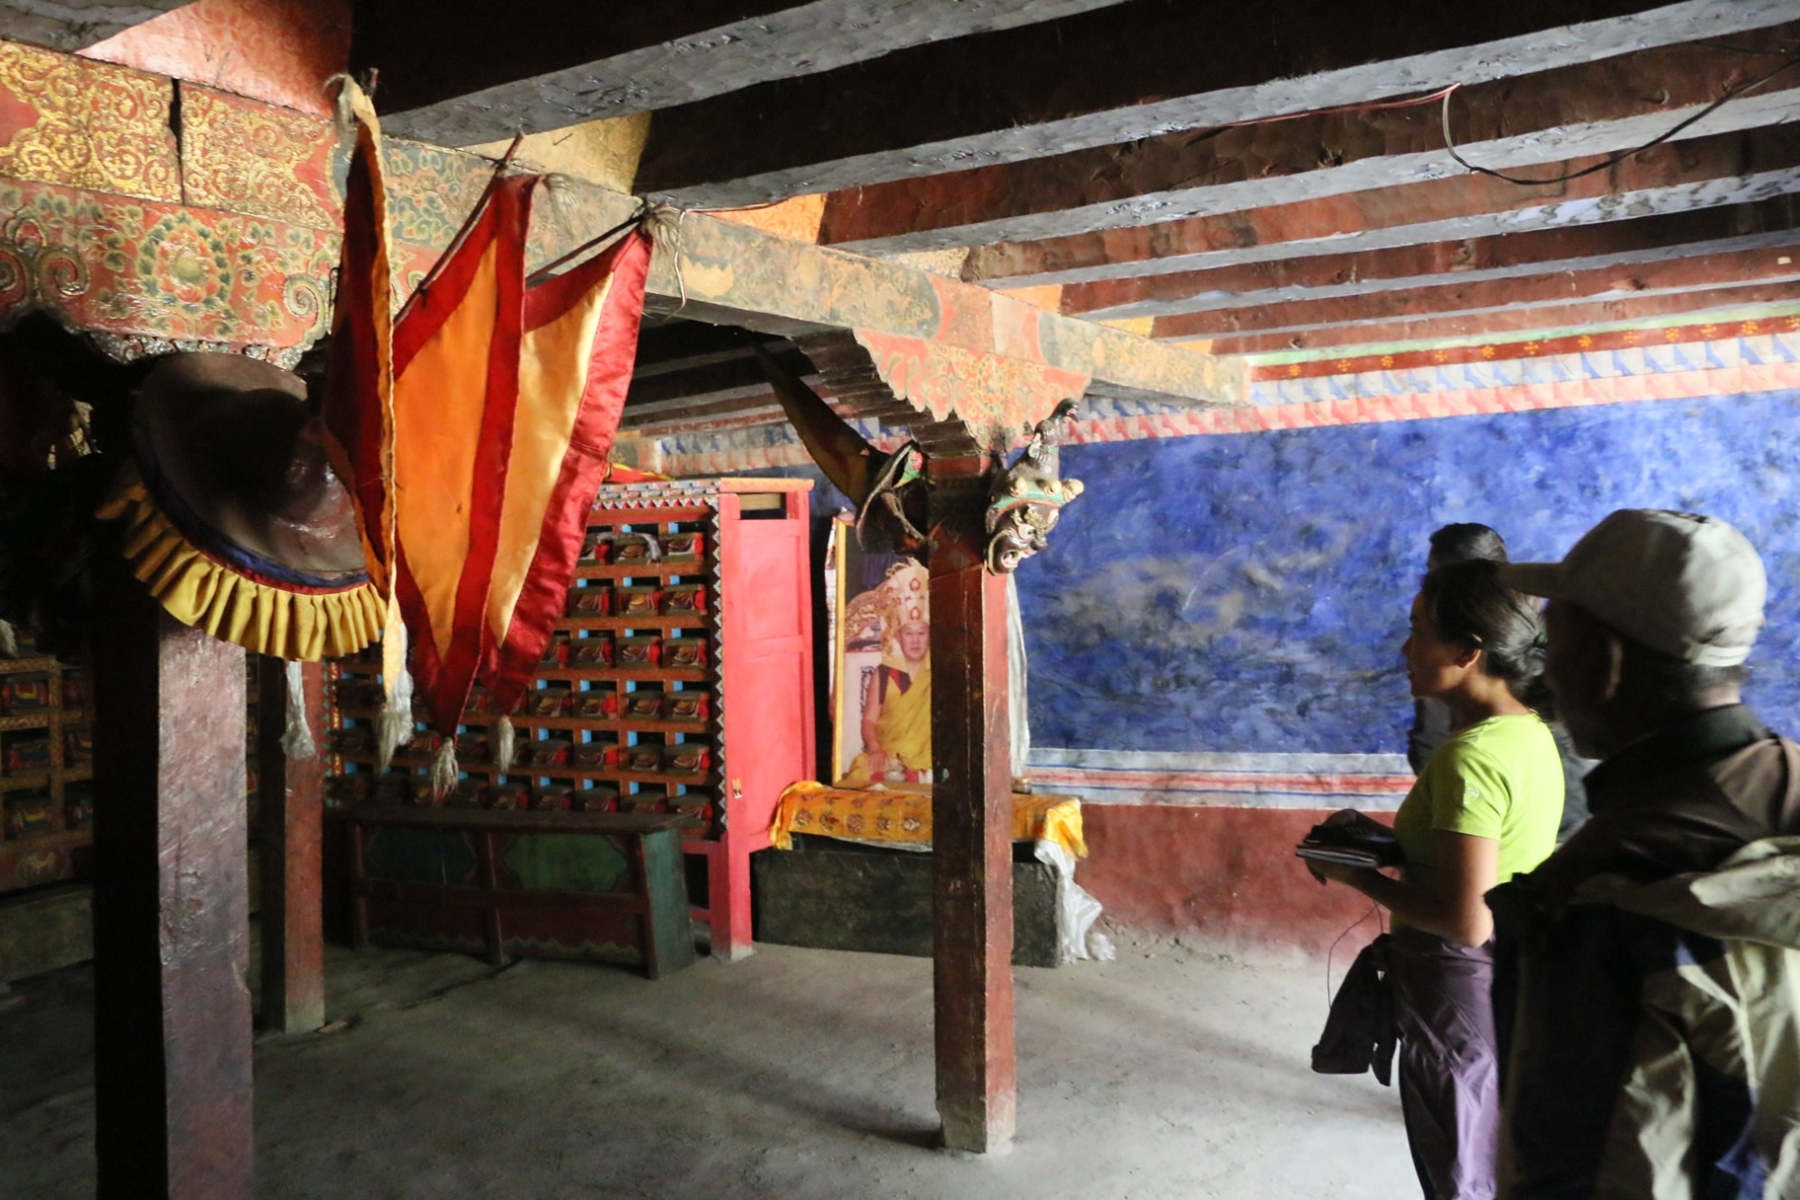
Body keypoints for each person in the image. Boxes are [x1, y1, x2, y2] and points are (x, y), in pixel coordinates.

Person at [1489, 510, 1800, 1196]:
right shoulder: (1788, 788)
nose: (1546, 672)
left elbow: (1576, 1167)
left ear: (1606, 664)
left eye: (1554, 642)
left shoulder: (1605, 889)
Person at [1310, 558, 1565, 1200]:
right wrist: (1389, 845)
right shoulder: (1527, 734)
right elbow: (1490, 859)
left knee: (1459, 1163)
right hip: (1506, 971)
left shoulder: (1469, 760)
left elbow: (1464, 919)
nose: (1405, 649)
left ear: (1467, 651)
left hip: (1457, 983)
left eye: (1419, 630)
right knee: (1486, 1146)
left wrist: (1353, 875)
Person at [1411, 523, 1594, 842]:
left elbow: (1428, 742)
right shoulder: (1546, 629)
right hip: (1569, 814)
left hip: (1504, 825)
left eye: (1433, 574)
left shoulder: (1450, 651)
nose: (1427, 586)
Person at [839, 560, 931, 786]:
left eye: (921, 633)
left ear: (930, 636)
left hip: (928, 758)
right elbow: (869, 720)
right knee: (859, 774)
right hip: (888, 757)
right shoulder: (883, 675)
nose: (916, 641)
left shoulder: (940, 672)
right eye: (909, 633)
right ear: (898, 637)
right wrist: (875, 749)